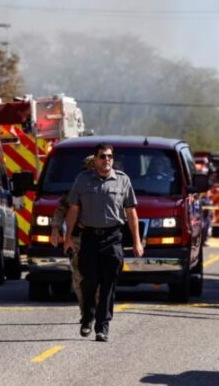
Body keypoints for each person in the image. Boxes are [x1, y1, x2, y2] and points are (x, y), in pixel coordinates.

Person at [63, 143, 143, 342]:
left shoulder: (123, 181)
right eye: (102, 156)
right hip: (89, 238)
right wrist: (67, 238)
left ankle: (102, 326)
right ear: (95, 160)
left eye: (109, 156)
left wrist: (136, 241)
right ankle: (87, 316)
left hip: (113, 238)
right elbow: (73, 209)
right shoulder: (82, 180)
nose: (106, 160)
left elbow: (131, 211)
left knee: (108, 284)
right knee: (89, 280)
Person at [50, 155, 95, 312]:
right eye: (87, 170)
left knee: (99, 276)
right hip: (78, 239)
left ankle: (97, 308)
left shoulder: (109, 189)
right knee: (78, 275)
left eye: (93, 170)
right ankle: (86, 311)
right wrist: (55, 230)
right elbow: (61, 210)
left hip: (100, 238)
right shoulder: (75, 191)